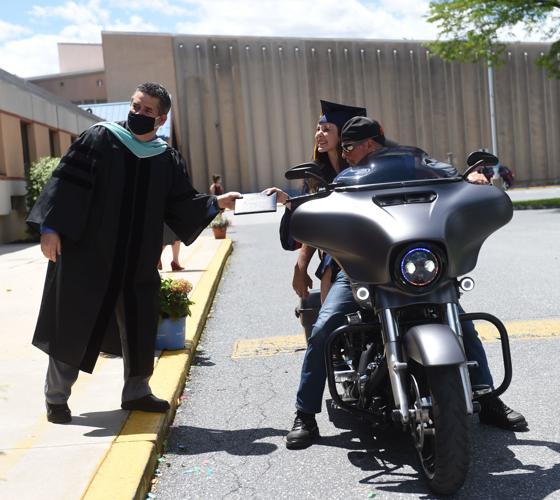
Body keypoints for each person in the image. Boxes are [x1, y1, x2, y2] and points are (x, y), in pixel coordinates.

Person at [284, 116, 528, 449]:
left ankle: (487, 400)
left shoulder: (413, 164)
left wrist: (469, 179)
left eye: (350, 147)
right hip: (358, 269)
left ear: (370, 144)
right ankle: (305, 414)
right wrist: (301, 261)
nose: (345, 153)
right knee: (325, 329)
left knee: (463, 324)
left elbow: (445, 180)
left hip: (412, 264)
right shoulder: (344, 178)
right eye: (343, 148)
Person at [28, 82, 241, 424]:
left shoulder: (165, 157)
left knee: (141, 324)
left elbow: (180, 203)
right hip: (88, 254)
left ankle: (137, 391)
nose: (138, 114)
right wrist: (50, 228)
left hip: (137, 259)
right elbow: (64, 183)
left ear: (161, 118)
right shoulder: (99, 138)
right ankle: (56, 398)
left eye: (147, 111)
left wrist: (216, 202)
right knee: (74, 321)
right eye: (136, 106)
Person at [265, 100, 366, 302]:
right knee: (328, 313)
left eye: (327, 129)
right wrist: (300, 267)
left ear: (344, 135)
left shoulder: (364, 170)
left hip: (368, 249)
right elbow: (313, 223)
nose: (319, 134)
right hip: (334, 256)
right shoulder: (315, 175)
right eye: (318, 129)